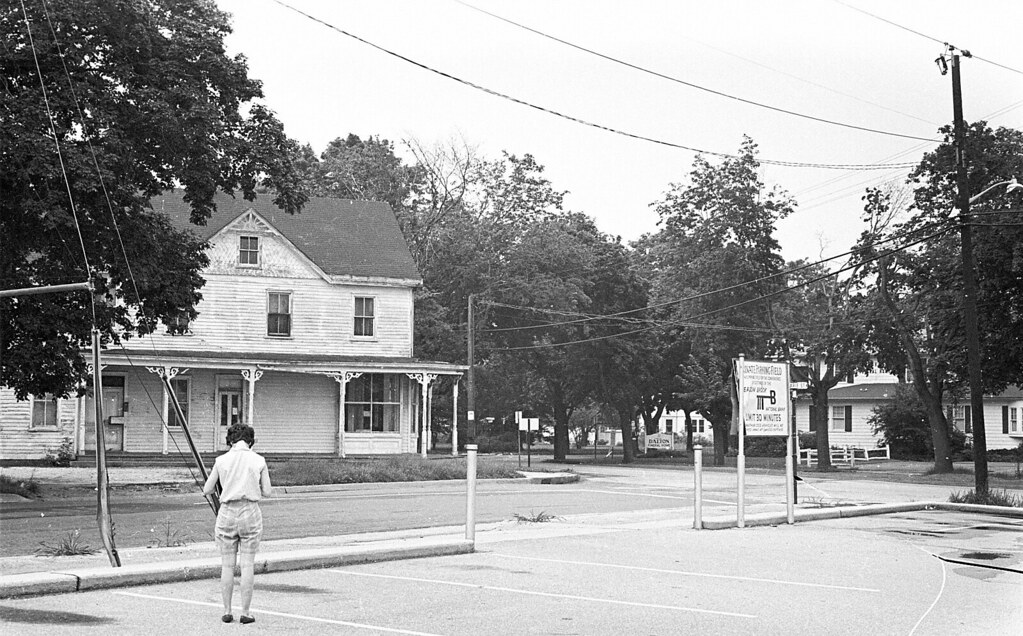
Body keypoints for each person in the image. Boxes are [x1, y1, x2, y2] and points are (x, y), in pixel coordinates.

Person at [203, 423, 272, 625]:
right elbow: (267, 491)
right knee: (248, 564)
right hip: (250, 511)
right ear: (250, 441)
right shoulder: (259, 460)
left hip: (226, 513)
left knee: (227, 565)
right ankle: (246, 612)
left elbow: (207, 489)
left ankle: (226, 610)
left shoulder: (221, 460)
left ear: (230, 440)